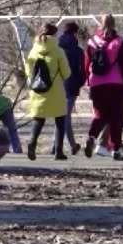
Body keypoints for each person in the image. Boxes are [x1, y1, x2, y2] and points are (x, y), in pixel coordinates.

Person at [83, 14, 123, 161]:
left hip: (96, 83)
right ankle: (116, 149)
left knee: (100, 114)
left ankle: (92, 137)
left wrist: (87, 80)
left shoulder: (92, 42)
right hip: (116, 84)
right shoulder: (119, 42)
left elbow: (86, 64)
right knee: (116, 117)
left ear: (100, 24)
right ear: (114, 24)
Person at [24, 22, 71, 160]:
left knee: (38, 120)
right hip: (55, 91)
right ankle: (59, 151)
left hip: (37, 91)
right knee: (60, 120)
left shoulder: (33, 51)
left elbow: (28, 71)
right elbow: (66, 73)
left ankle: (32, 143)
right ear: (54, 35)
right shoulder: (58, 51)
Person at [55, 22, 85, 155]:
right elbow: (81, 71)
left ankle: (57, 146)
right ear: (75, 33)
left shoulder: (57, 48)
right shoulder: (78, 51)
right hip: (71, 86)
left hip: (56, 85)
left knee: (60, 116)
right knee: (65, 117)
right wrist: (79, 84)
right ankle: (71, 145)